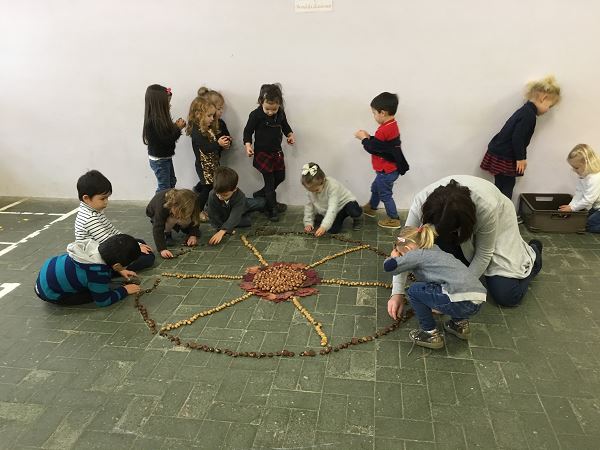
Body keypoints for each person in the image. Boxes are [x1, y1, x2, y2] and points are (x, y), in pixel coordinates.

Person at [388, 175, 542, 310]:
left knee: (507, 295)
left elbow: (484, 254)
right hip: (456, 224)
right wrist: (397, 293)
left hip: (499, 220)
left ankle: (533, 254)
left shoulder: (486, 208)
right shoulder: (422, 202)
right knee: (441, 265)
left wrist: (456, 294)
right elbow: (404, 248)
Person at [384, 224, 486, 349]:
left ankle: (430, 334)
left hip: (459, 300)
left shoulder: (416, 255)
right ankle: (460, 324)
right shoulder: (435, 249)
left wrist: (393, 257)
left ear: (407, 249)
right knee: (452, 288)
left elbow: (390, 267)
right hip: (477, 299)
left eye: (401, 254)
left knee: (414, 291)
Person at [480, 76, 561, 201]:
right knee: (507, 185)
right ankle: (505, 210)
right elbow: (518, 137)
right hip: (505, 154)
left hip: (500, 150)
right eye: (549, 106)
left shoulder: (525, 111)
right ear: (543, 98)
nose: (548, 110)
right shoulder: (529, 115)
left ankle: (498, 208)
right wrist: (521, 158)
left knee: (501, 184)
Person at [74, 170, 155, 272]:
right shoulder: (89, 218)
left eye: (107, 198)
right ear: (86, 198)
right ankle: (115, 270)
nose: (106, 202)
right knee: (148, 258)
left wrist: (137, 244)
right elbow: (107, 241)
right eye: (103, 199)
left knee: (138, 242)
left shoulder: (95, 210)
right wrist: (137, 249)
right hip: (95, 259)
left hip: (104, 247)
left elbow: (112, 231)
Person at [34, 234, 141, 307]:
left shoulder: (93, 247)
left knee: (95, 281)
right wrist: (125, 290)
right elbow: (103, 301)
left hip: (44, 278)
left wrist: (120, 270)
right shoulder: (97, 274)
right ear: (117, 265)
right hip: (51, 294)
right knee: (95, 295)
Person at [354, 92, 409, 229]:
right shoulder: (392, 125)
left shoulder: (383, 130)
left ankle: (394, 219)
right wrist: (370, 138)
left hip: (387, 171)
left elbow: (373, 148)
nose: (374, 116)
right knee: (376, 188)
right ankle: (371, 208)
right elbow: (382, 145)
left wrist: (363, 139)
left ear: (382, 113)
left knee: (385, 195)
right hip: (388, 169)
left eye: (374, 113)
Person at [243, 83, 294, 222]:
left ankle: (261, 193)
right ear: (261, 102)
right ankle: (271, 208)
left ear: (279, 104)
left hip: (276, 152)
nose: (271, 112)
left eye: (274, 109)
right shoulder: (255, 115)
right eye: (267, 109)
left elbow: (285, 126)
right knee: (270, 182)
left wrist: (290, 135)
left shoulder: (280, 113)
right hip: (262, 153)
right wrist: (248, 145)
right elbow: (247, 131)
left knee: (280, 177)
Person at [186, 96, 229, 214]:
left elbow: (214, 143)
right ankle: (196, 211)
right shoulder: (196, 131)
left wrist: (223, 144)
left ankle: (198, 194)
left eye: (213, 115)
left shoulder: (208, 127)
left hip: (212, 164)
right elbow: (205, 148)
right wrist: (218, 144)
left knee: (209, 186)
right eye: (209, 116)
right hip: (204, 167)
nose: (212, 118)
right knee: (207, 188)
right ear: (198, 115)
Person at [143, 84, 186, 193]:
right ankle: (159, 203)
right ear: (159, 105)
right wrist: (178, 128)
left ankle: (168, 202)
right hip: (159, 160)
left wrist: (175, 127)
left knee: (171, 181)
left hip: (164, 157)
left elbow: (166, 135)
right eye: (167, 102)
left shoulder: (160, 118)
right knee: (164, 188)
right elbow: (167, 139)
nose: (169, 105)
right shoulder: (154, 121)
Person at [206, 167, 265, 245]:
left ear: (234, 189)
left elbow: (235, 214)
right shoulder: (212, 195)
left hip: (242, 204)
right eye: (218, 194)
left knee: (261, 202)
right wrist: (221, 229)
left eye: (225, 195)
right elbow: (213, 216)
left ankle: (241, 215)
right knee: (247, 221)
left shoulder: (240, 196)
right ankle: (235, 220)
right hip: (224, 214)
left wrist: (223, 230)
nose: (220, 197)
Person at [301, 162, 362, 236]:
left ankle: (357, 217)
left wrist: (324, 226)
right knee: (333, 230)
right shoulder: (311, 189)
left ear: (323, 181)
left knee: (354, 211)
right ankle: (337, 216)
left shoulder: (333, 186)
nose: (313, 192)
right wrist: (308, 223)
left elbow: (332, 207)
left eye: (316, 190)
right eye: (310, 191)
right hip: (335, 210)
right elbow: (309, 206)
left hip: (345, 203)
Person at [145, 188, 201, 259]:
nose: (179, 218)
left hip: (171, 211)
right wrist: (162, 249)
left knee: (186, 222)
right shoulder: (162, 206)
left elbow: (195, 218)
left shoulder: (193, 201)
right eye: (178, 216)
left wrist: (193, 234)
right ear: (173, 206)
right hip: (154, 212)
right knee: (168, 221)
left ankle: (182, 226)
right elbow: (158, 227)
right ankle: (167, 233)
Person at [558, 144, 600, 233]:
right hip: (597, 207)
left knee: (589, 225)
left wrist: (572, 208)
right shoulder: (584, 175)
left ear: (587, 163)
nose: (574, 170)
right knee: (583, 221)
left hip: (598, 207)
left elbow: (588, 200)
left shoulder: (594, 178)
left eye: (576, 167)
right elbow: (579, 193)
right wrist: (570, 206)